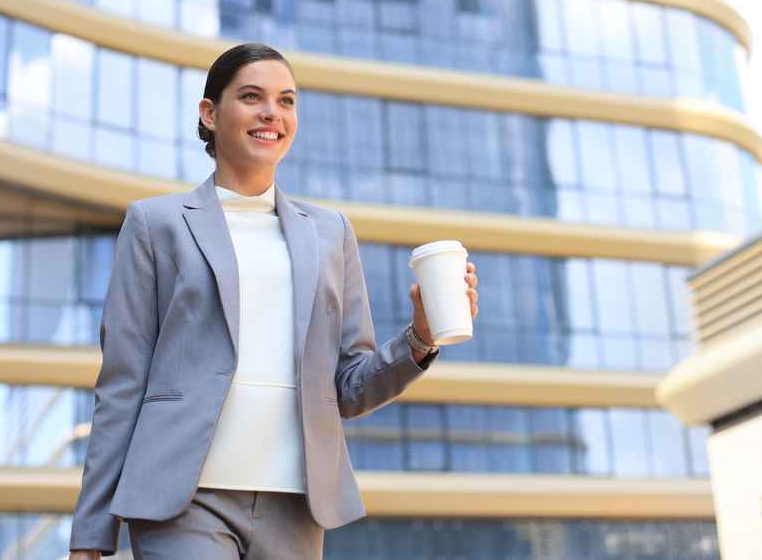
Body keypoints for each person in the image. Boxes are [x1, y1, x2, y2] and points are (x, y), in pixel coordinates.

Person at [68, 43, 479, 559]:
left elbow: (349, 389)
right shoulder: (156, 225)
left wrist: (421, 336)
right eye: (252, 97)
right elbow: (123, 384)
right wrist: (90, 537)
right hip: (183, 499)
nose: (272, 113)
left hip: (295, 501)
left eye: (286, 101)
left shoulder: (331, 232)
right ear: (210, 114)